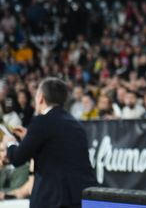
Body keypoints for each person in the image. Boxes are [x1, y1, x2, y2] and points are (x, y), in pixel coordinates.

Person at [3, 77, 97, 208]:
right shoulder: (76, 124)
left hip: (53, 199)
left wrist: (10, 143)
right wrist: (28, 137)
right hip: (79, 197)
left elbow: (17, 158)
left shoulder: (41, 121)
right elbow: (55, 147)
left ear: (41, 98)